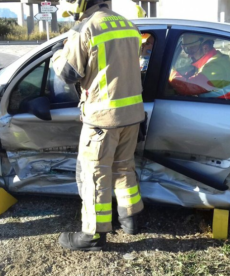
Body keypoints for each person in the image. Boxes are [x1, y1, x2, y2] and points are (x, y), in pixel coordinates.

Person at [52, 0, 145, 251]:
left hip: (102, 118)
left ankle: (92, 236)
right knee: (124, 167)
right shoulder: (128, 25)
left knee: (95, 175)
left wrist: (58, 54)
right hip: (132, 115)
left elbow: (67, 73)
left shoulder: (86, 28)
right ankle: (130, 219)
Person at [169, 33, 230, 100]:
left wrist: (168, 71)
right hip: (226, 108)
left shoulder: (216, 66)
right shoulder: (215, 60)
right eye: (186, 49)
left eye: (191, 50)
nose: (189, 55)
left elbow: (187, 88)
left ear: (205, 48)